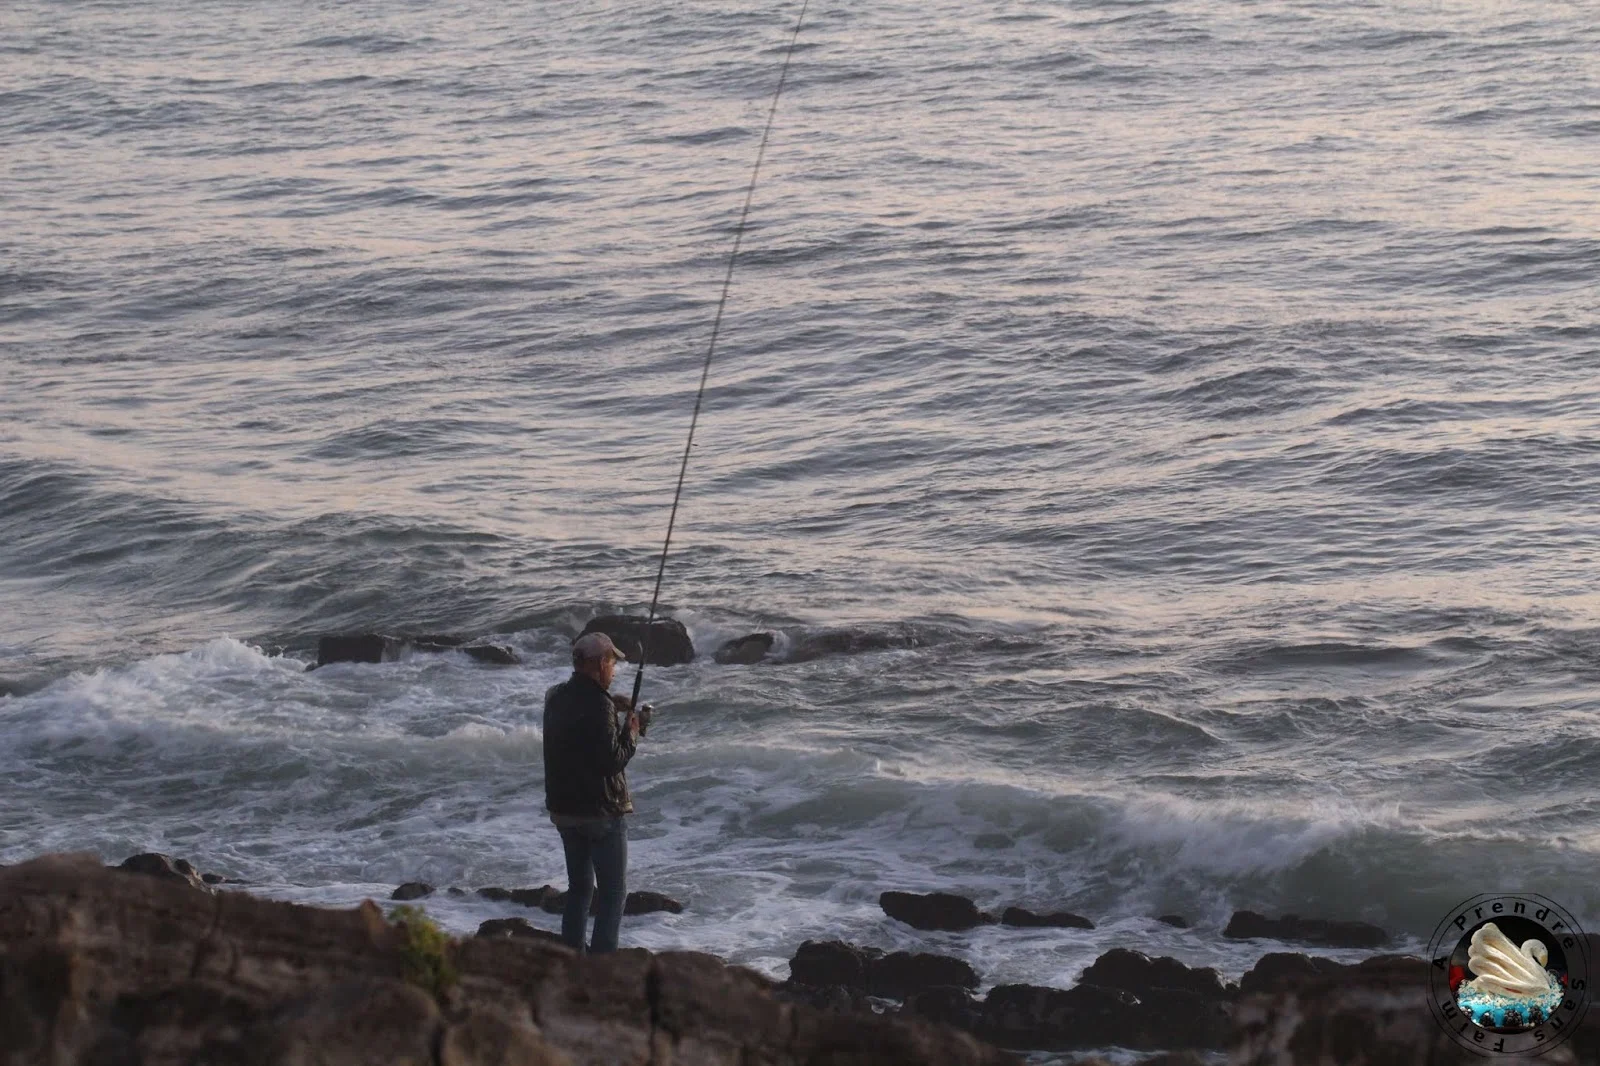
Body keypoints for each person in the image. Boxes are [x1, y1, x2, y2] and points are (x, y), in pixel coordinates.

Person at [542, 631, 642, 953]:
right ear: (600, 663)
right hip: (600, 814)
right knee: (613, 893)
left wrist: (614, 709)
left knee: (580, 889)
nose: (613, 670)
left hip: (565, 811)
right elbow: (611, 761)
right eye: (612, 663)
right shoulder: (600, 706)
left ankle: (572, 960)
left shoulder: (555, 697)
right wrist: (632, 732)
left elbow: (579, 726)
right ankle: (601, 969)